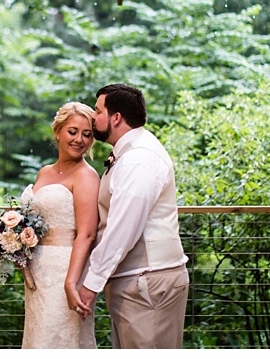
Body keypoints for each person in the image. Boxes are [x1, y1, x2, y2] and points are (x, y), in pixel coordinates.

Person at [77, 83, 189, 348]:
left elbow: (123, 229)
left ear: (116, 118)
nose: (93, 116)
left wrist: (90, 283)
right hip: (140, 282)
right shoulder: (131, 152)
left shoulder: (139, 159)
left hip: (148, 283)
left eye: (98, 110)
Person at [20, 101, 100, 348]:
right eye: (73, 131)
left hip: (67, 269)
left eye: (87, 134)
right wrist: (15, 247)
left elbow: (86, 234)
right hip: (37, 269)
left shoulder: (86, 175)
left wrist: (70, 282)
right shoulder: (44, 172)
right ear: (57, 132)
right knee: (38, 336)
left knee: (60, 337)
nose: (79, 140)